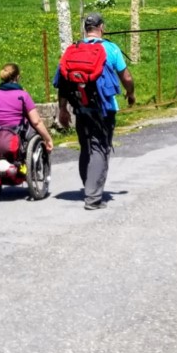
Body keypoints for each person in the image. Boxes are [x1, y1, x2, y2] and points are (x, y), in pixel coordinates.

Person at [55, 12, 135, 210]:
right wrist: (130, 93)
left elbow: (62, 83)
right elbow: (126, 77)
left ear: (85, 29)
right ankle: (92, 198)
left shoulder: (72, 50)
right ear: (102, 27)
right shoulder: (111, 48)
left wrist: (63, 109)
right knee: (100, 148)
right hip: (104, 108)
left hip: (80, 107)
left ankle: (89, 186)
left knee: (87, 147)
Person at [0, 63, 54, 157]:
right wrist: (48, 139)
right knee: (34, 134)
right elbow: (36, 122)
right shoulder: (23, 96)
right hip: (17, 136)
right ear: (17, 77)